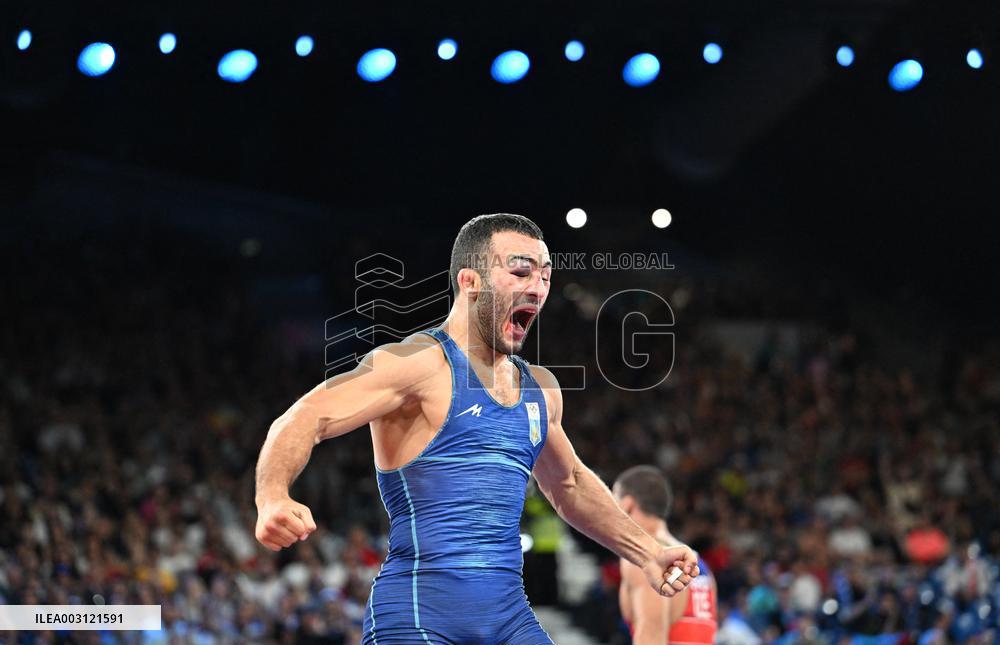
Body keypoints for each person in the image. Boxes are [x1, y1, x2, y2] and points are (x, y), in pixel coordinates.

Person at [253, 213, 699, 643]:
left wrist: (648, 552)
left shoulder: (540, 390)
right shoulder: (417, 365)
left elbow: (570, 483)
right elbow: (307, 415)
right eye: (521, 272)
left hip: (508, 619)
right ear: (470, 282)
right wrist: (273, 495)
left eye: (545, 276)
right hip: (418, 617)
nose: (538, 287)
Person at [614, 465, 717, 645]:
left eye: (613, 502)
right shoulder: (701, 565)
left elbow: (651, 638)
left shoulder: (644, 559)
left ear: (627, 504)